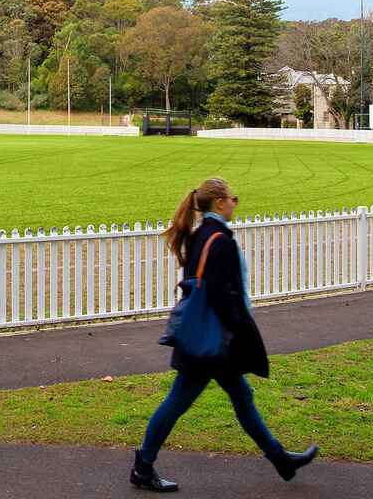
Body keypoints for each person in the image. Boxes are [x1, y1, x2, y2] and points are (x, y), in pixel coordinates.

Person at [130, 177, 319, 492]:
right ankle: (143, 466)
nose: (235, 203)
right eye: (233, 198)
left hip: (201, 336)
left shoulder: (200, 235)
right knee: (181, 400)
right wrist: (241, 330)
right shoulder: (220, 240)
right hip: (214, 342)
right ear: (219, 202)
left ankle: (280, 459)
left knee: (238, 396)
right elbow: (223, 295)